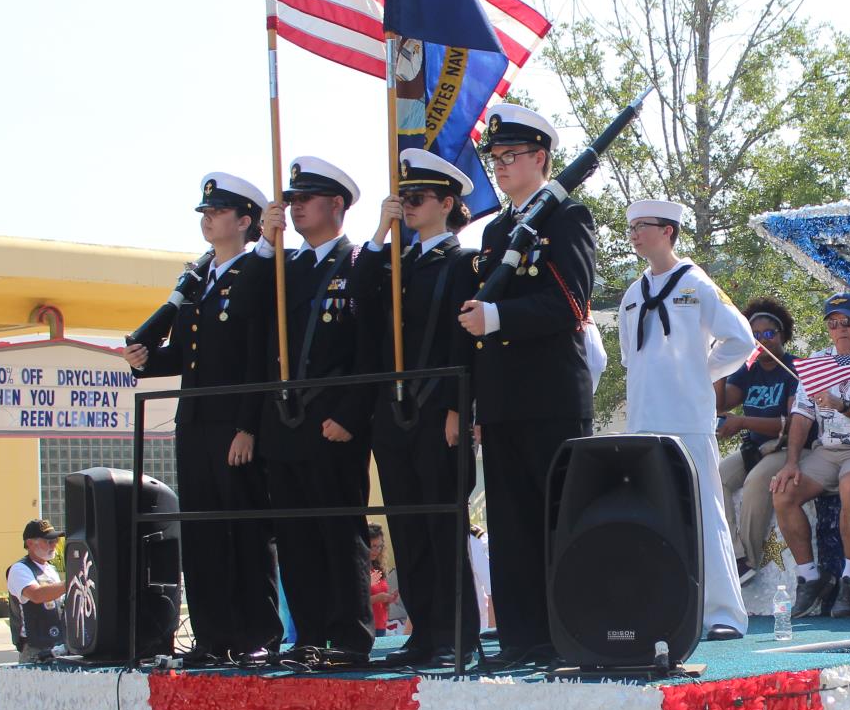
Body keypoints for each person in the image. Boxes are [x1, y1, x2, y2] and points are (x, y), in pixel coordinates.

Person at [457, 106, 597, 666]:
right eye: (496, 158)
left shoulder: (567, 218)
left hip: (550, 396)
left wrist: (497, 319)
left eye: (511, 156)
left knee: (556, 518)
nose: (501, 166)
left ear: (541, 158)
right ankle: (521, 639)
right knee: (511, 526)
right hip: (503, 399)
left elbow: (571, 302)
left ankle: (570, 635)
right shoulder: (494, 231)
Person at [126, 172, 280, 660]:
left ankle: (255, 635)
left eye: (217, 213)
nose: (208, 219)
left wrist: (247, 426)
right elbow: (193, 355)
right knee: (205, 535)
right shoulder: (199, 279)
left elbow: (258, 356)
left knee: (245, 533)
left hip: (233, 424)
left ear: (245, 221)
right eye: (205, 214)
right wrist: (149, 359)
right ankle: (213, 639)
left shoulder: (255, 273)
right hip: (194, 423)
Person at [246, 156, 375, 656]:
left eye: (305, 200)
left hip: (331, 420)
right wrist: (264, 241)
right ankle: (310, 635)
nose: (295, 208)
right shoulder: (283, 265)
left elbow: (369, 349)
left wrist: (350, 414)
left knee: (338, 533)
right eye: (291, 200)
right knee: (296, 538)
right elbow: (251, 314)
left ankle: (348, 635)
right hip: (285, 420)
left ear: (336, 205)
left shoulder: (359, 263)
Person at [356, 150, 482, 662]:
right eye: (403, 197)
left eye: (416, 198)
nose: (406, 205)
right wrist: (378, 234)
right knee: (407, 526)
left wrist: (460, 407)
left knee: (440, 526)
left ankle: (457, 633)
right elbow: (360, 299)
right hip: (395, 411)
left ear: (447, 203)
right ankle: (425, 631)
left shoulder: (462, 263)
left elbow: (465, 343)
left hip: (438, 410)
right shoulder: (395, 262)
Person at [615, 197, 755, 641]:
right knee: (651, 515)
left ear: (668, 232)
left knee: (705, 511)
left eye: (643, 226)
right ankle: (665, 609)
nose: (635, 234)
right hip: (643, 418)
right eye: (631, 226)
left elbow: (741, 340)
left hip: (688, 420)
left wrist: (699, 374)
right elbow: (628, 357)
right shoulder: (633, 292)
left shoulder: (697, 284)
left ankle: (723, 614)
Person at [771, 291, 850, 618]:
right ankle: (811, 578)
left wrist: (842, 404)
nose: (840, 329)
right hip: (827, 451)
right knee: (783, 491)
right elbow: (802, 414)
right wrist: (791, 462)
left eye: (847, 322)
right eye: (833, 324)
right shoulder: (817, 361)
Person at [717, 297, 799, 584]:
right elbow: (721, 404)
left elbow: (791, 423)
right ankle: (733, 555)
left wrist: (741, 422)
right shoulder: (747, 369)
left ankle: (749, 560)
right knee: (716, 478)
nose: (763, 340)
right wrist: (720, 365)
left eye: (769, 334)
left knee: (755, 482)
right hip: (755, 448)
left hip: (786, 447)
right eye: (755, 335)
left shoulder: (794, 369)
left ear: (783, 335)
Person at [4, 519, 66, 662]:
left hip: (57, 644)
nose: (54, 544)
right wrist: (72, 582)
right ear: (30, 543)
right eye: (48, 541)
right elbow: (36, 595)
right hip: (35, 648)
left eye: (55, 540)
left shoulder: (51, 569)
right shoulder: (20, 569)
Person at [366, 525, 397, 638]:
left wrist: (389, 599)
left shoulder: (377, 568)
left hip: (381, 626)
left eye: (379, 547)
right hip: (366, 627)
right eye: (373, 546)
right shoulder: (359, 569)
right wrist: (377, 598)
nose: (377, 551)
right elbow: (353, 603)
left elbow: (380, 599)